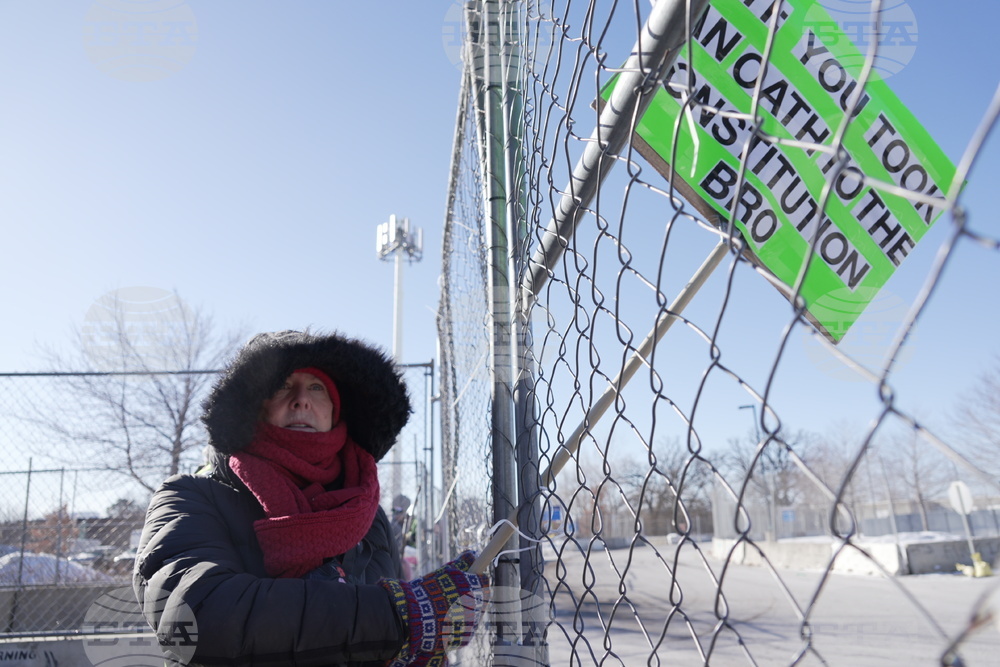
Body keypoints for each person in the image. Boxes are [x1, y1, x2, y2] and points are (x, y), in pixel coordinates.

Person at [133, 330, 489, 666]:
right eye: (284, 385)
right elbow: (195, 614)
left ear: (336, 412)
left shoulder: (369, 516)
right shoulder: (190, 496)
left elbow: (380, 635)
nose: (301, 399)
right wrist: (399, 614)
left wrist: (415, 642)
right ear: (256, 407)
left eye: (317, 387)